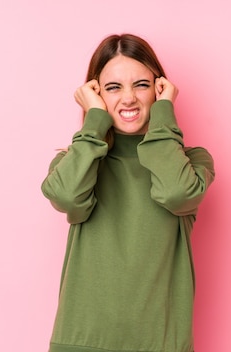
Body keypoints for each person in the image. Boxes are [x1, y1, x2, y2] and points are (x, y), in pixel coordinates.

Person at [41, 33, 215, 352]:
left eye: (141, 85)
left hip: (162, 345)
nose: (129, 98)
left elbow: (177, 193)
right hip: (81, 343)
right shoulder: (76, 161)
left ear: (159, 89)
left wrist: (163, 115)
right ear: (94, 94)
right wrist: (94, 123)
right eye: (113, 87)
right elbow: (66, 197)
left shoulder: (191, 163)